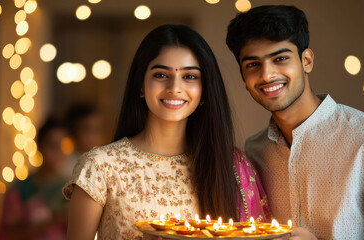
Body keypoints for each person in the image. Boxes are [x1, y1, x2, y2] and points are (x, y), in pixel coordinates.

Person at [63, 24, 269, 239]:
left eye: (189, 77)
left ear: (205, 89)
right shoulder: (100, 167)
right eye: (161, 75)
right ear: (141, 85)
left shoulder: (230, 165)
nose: (174, 88)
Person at [226, 5, 364, 240]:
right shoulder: (254, 152)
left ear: (307, 60)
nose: (267, 75)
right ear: (243, 76)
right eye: (253, 65)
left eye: (280, 58)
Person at [0, 117, 69, 240]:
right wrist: (54, 220)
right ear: (40, 147)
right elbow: (8, 234)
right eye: (52, 145)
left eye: (62, 146)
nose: (59, 151)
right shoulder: (21, 189)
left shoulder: (69, 189)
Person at [62, 104, 105, 180]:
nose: (93, 136)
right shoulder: (65, 167)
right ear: (73, 131)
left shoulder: (104, 163)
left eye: (97, 129)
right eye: (87, 129)